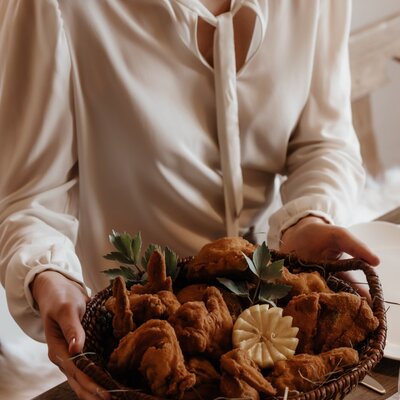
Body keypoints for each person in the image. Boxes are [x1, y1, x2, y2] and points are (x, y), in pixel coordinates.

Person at [0, 0, 379, 399]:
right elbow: (30, 200)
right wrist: (48, 275)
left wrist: (309, 218)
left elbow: (322, 140)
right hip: (136, 360)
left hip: (278, 324)